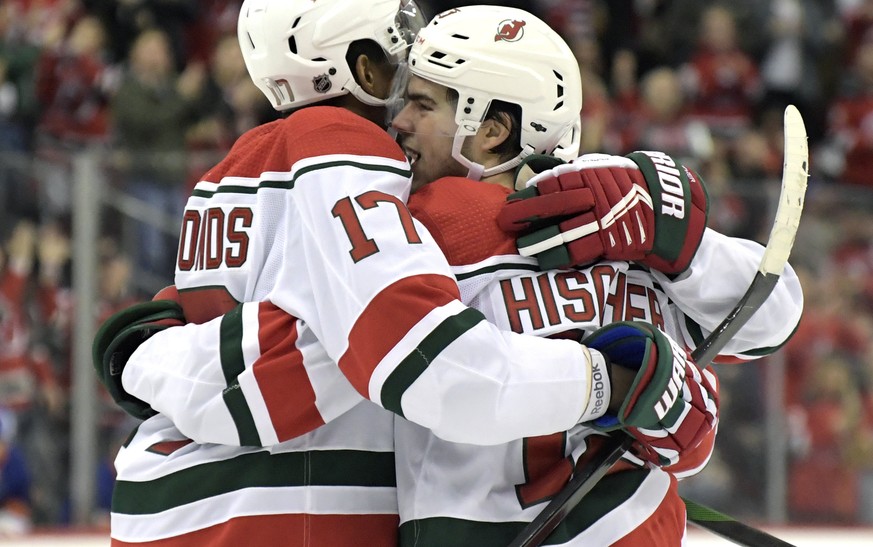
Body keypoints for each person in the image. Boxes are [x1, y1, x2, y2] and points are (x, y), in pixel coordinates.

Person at [98, 4, 803, 547]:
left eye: (424, 103)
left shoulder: (437, 224)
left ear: (491, 126)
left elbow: (322, 347)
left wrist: (157, 345)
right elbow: (768, 313)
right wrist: (673, 252)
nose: (398, 121)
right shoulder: (612, 212)